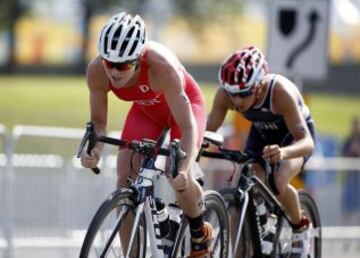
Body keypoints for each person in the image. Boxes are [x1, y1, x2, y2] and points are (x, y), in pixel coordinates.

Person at [80, 12, 212, 257]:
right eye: (109, 63)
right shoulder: (97, 71)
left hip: (183, 110)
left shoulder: (161, 67)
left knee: (178, 177)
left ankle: (198, 234)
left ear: (139, 59)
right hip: (147, 111)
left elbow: (188, 127)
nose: (114, 72)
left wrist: (183, 169)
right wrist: (95, 150)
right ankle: (133, 252)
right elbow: (99, 124)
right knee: (124, 179)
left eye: (123, 65)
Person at [206, 46, 316, 257]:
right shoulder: (227, 94)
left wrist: (283, 153)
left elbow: (307, 142)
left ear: (258, 87)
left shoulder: (280, 93)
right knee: (246, 182)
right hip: (261, 134)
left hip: (293, 138)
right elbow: (209, 128)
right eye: (232, 94)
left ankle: (300, 227)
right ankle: (260, 225)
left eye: (243, 94)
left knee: (278, 179)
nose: (236, 101)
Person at [341, 116, 360, 225]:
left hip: (358, 178)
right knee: (348, 205)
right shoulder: (348, 140)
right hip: (350, 178)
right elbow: (344, 154)